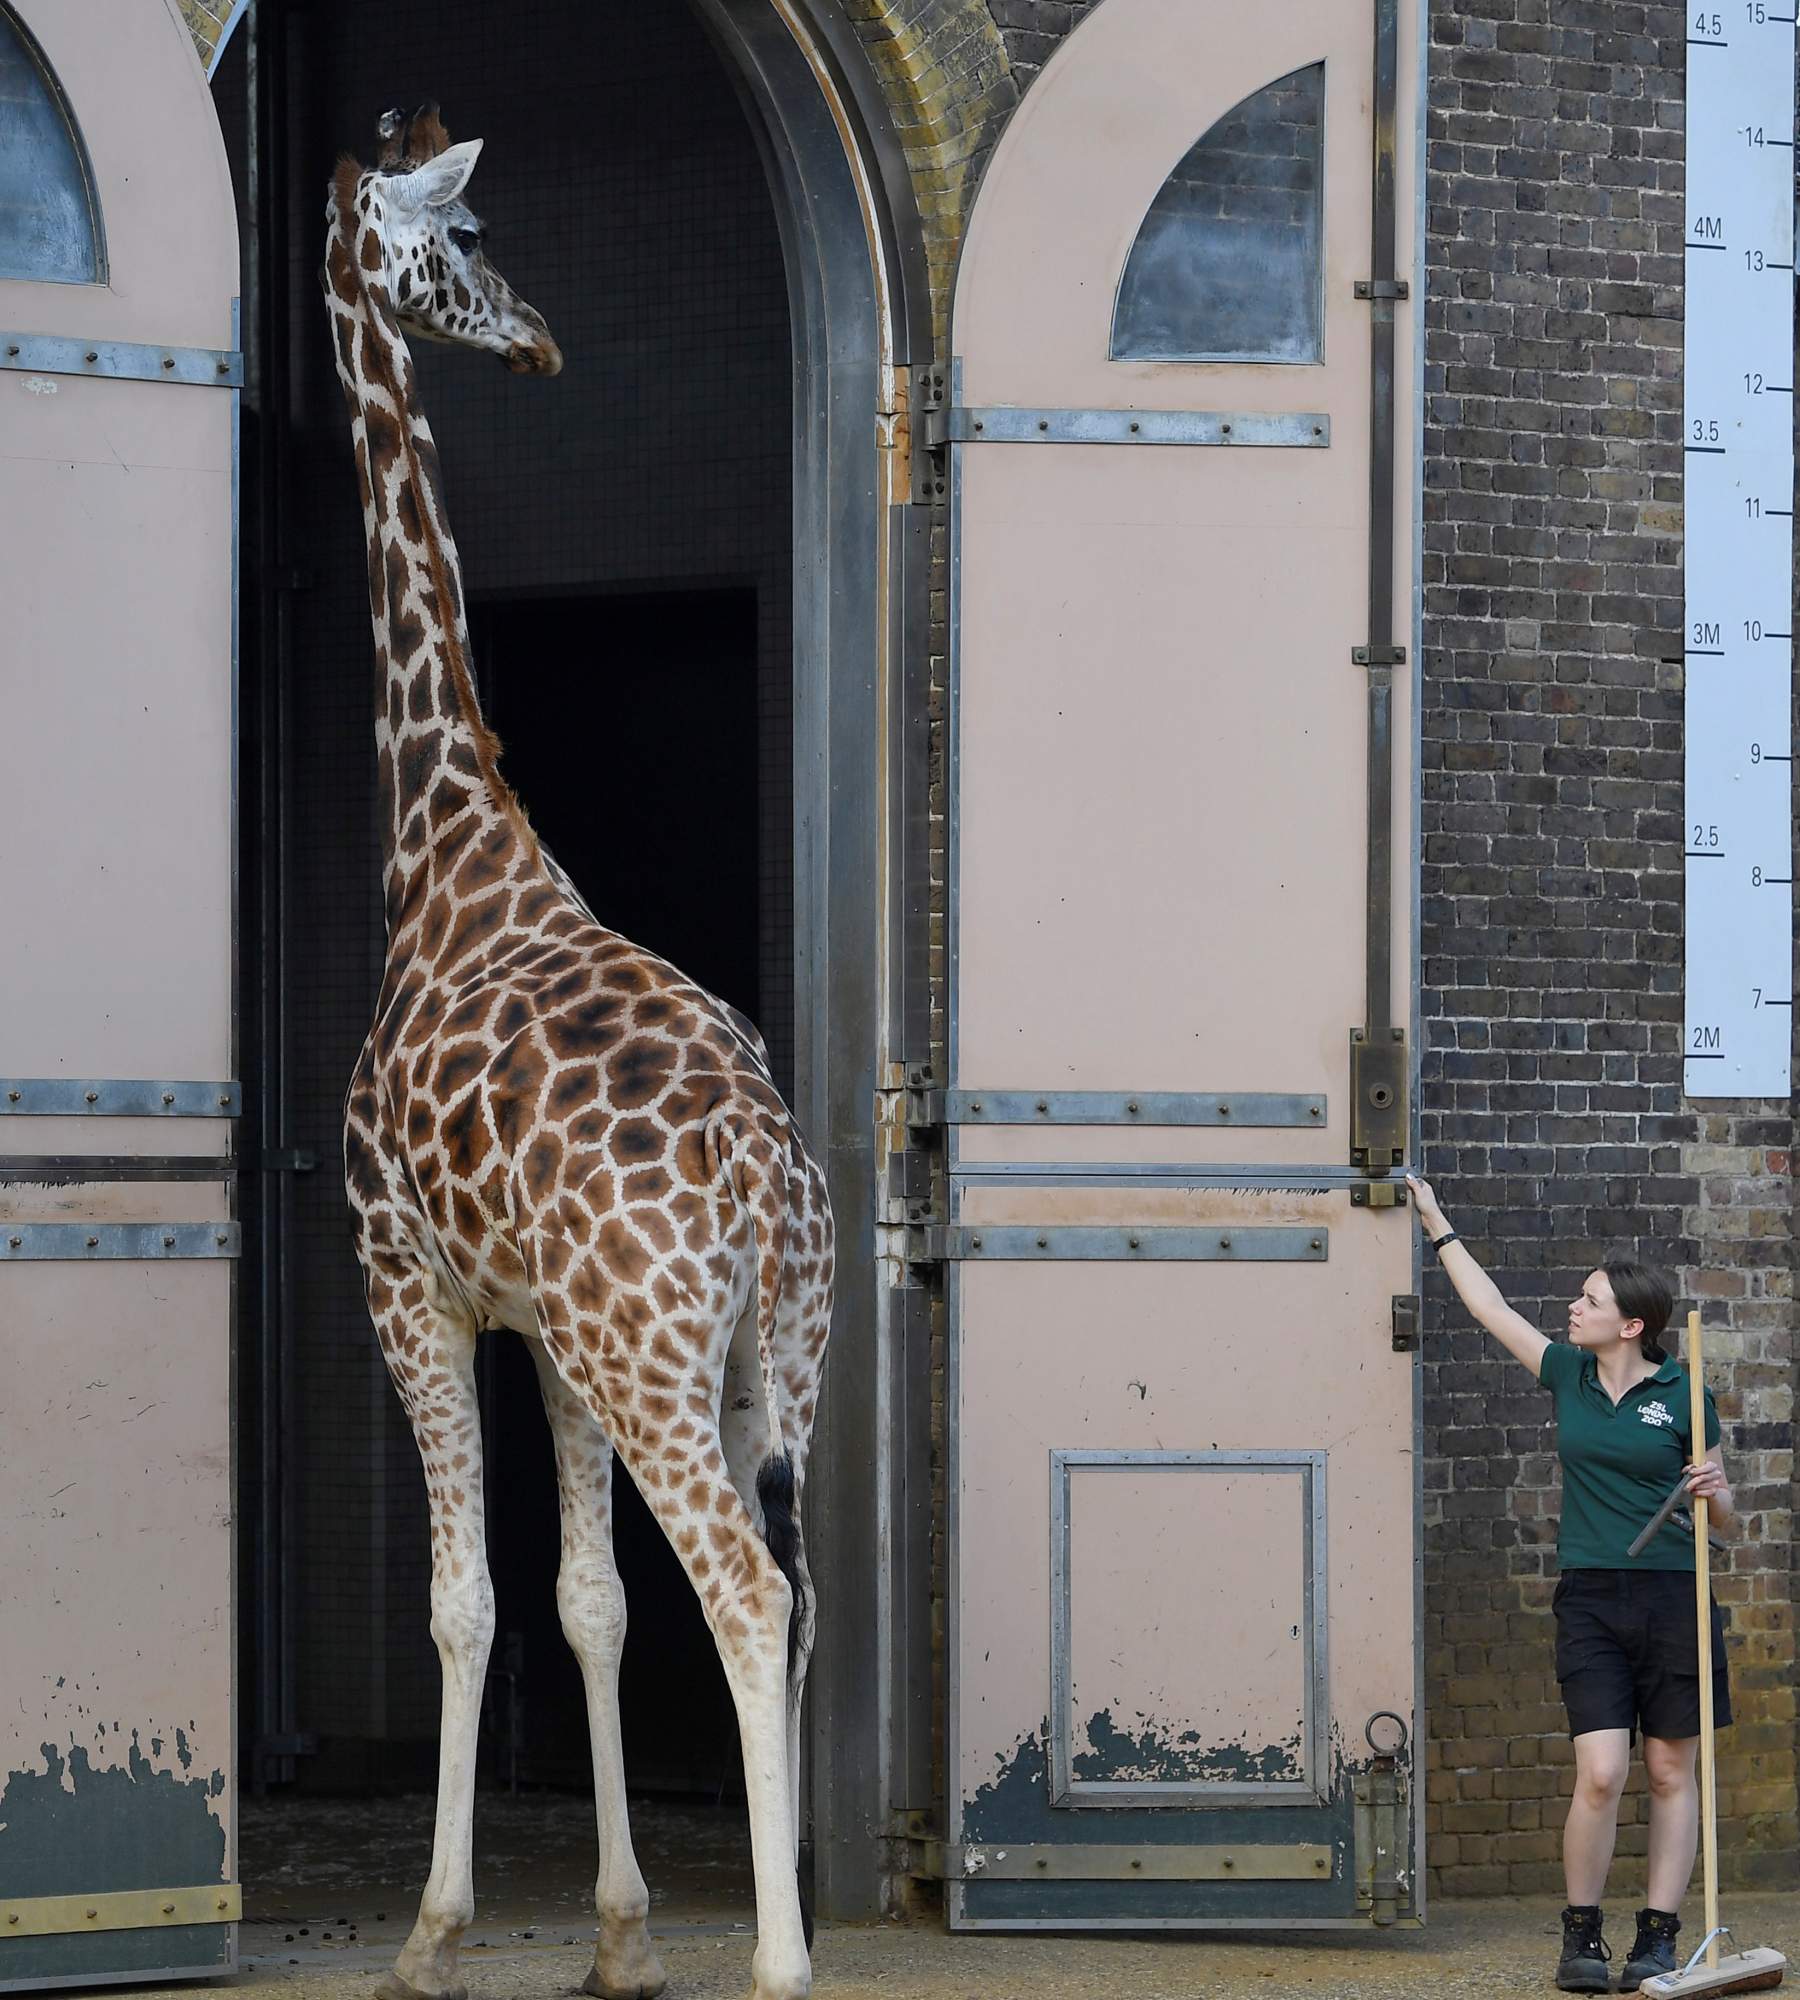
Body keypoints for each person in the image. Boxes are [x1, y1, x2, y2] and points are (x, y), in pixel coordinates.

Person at [1405, 1175, 1733, 1994]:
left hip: (1675, 1597)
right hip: (1590, 1595)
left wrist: (1713, 1492)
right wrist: (1436, 1219)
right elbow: (1490, 1309)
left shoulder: (1685, 1393)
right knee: (1601, 1772)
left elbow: (1726, 1522)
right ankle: (1580, 1933)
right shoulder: (1567, 1376)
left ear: (1631, 1324)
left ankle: (1656, 1938)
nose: (1571, 1308)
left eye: (1588, 1300)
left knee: (1668, 1772)